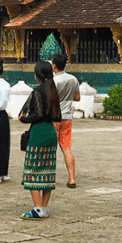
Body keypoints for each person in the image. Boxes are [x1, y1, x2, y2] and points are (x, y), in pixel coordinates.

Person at [18, 61, 62, 220]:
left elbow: (38, 114)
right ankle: (43, 207)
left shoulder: (37, 91)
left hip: (38, 133)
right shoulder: (53, 90)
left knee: (32, 171)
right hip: (51, 132)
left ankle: (37, 209)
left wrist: (23, 119)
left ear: (39, 75)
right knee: (47, 171)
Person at [51, 53, 79, 188]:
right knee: (66, 148)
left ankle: (49, 177)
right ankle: (72, 178)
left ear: (54, 65)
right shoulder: (73, 79)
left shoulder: (53, 81)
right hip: (67, 117)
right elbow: (77, 97)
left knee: (51, 148)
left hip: (55, 117)